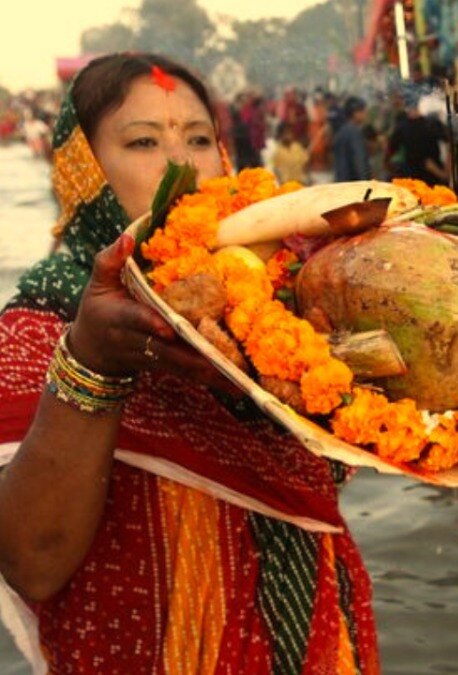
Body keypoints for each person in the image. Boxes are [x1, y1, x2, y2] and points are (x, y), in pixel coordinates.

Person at [0, 53, 378, 672]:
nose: (183, 164)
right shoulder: (43, 322)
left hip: (314, 633)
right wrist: (93, 363)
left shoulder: (274, 298)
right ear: (82, 172)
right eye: (143, 141)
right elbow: (32, 562)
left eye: (200, 140)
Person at [332, 96, 371, 182]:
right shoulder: (354, 133)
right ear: (355, 113)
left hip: (341, 181)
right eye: (363, 111)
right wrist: (364, 182)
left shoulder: (341, 131)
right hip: (353, 182)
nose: (365, 114)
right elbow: (359, 161)